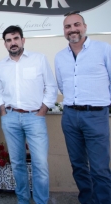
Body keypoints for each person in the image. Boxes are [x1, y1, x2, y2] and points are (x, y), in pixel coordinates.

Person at [0, 25, 57, 204]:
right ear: (5, 44)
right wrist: (3, 112)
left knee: (40, 164)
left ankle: (40, 201)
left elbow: (51, 87)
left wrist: (42, 111)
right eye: (8, 40)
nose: (12, 43)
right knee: (17, 163)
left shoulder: (39, 59)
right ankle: (22, 200)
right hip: (11, 118)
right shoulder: (1, 66)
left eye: (16, 38)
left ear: (23, 40)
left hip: (34, 118)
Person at [55, 11, 111, 204]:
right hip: (70, 116)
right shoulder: (60, 57)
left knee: (99, 168)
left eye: (76, 24)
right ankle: (86, 200)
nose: (72, 29)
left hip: (96, 115)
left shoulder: (104, 49)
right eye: (68, 26)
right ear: (64, 30)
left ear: (85, 27)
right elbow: (62, 85)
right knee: (78, 165)